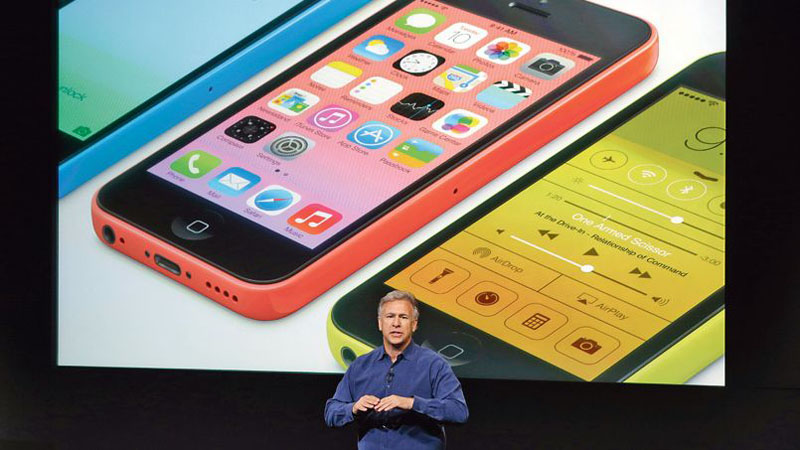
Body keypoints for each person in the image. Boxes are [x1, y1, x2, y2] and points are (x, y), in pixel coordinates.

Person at [324, 290, 469, 449]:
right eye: (390, 316)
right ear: (380, 323)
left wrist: (411, 403)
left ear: (414, 324)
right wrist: (353, 408)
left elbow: (458, 411)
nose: (396, 323)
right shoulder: (360, 366)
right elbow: (331, 412)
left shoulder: (433, 365)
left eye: (403, 317)